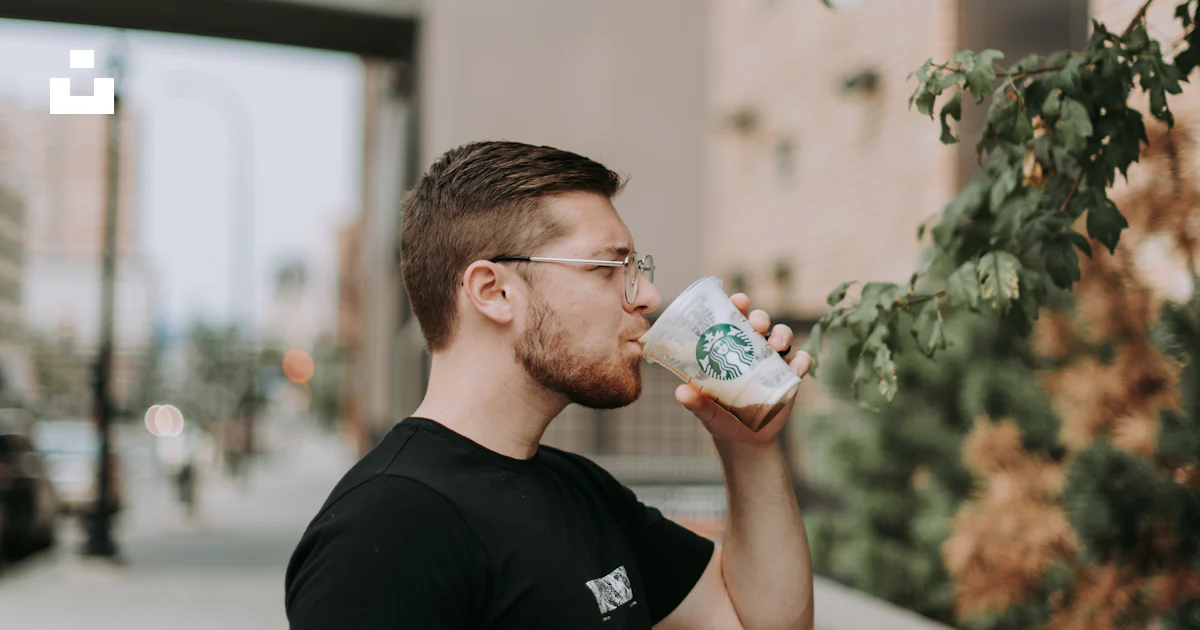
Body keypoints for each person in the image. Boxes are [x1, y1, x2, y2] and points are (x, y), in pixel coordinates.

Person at [284, 141, 815, 629]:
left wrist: (751, 447)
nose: (648, 295)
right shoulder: (385, 528)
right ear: (493, 291)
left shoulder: (583, 490)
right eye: (609, 267)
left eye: (638, 268)